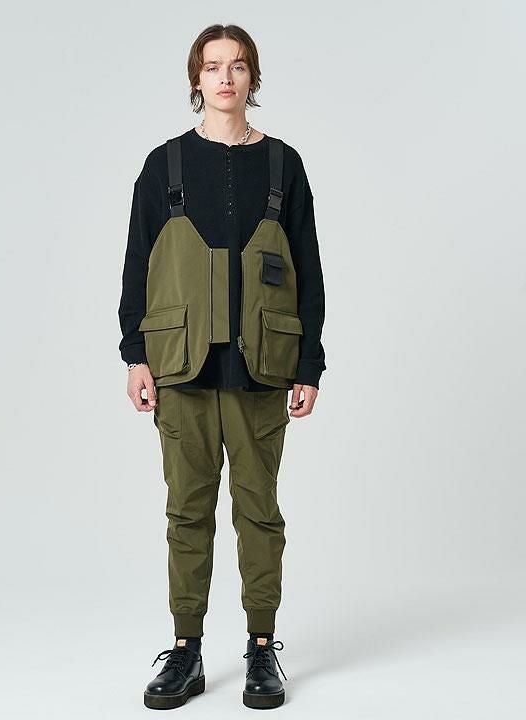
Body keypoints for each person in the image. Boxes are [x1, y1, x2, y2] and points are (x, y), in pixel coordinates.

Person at [117, 23, 327, 710]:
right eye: (213, 67)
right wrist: (135, 354)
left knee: (259, 513)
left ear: (252, 78)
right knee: (187, 513)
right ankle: (187, 650)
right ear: (196, 79)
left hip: (262, 369)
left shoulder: (284, 165)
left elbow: (309, 269)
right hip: (181, 369)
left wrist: (309, 364)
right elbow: (137, 264)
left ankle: (262, 648)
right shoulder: (165, 165)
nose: (225, 78)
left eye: (237, 66)